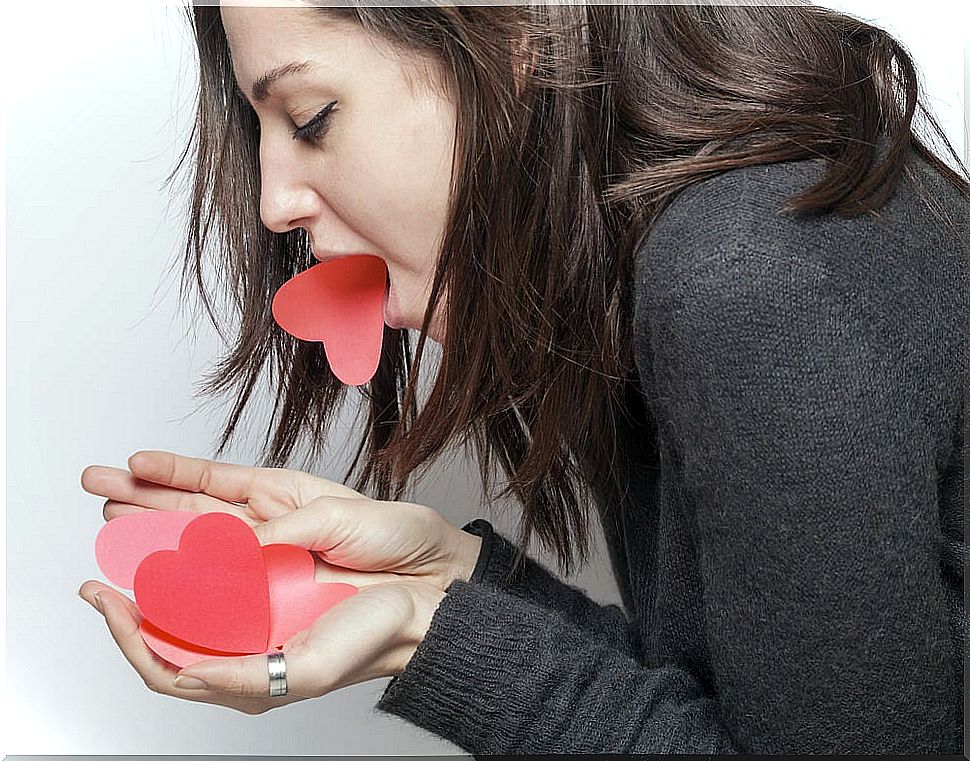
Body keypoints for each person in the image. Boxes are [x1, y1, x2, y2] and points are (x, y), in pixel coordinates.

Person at [77, 0, 967, 754]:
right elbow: (737, 724)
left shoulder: (750, 275)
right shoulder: (655, 257)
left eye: (311, 116)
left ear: (510, 42)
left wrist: (435, 628)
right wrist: (444, 582)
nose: (275, 202)